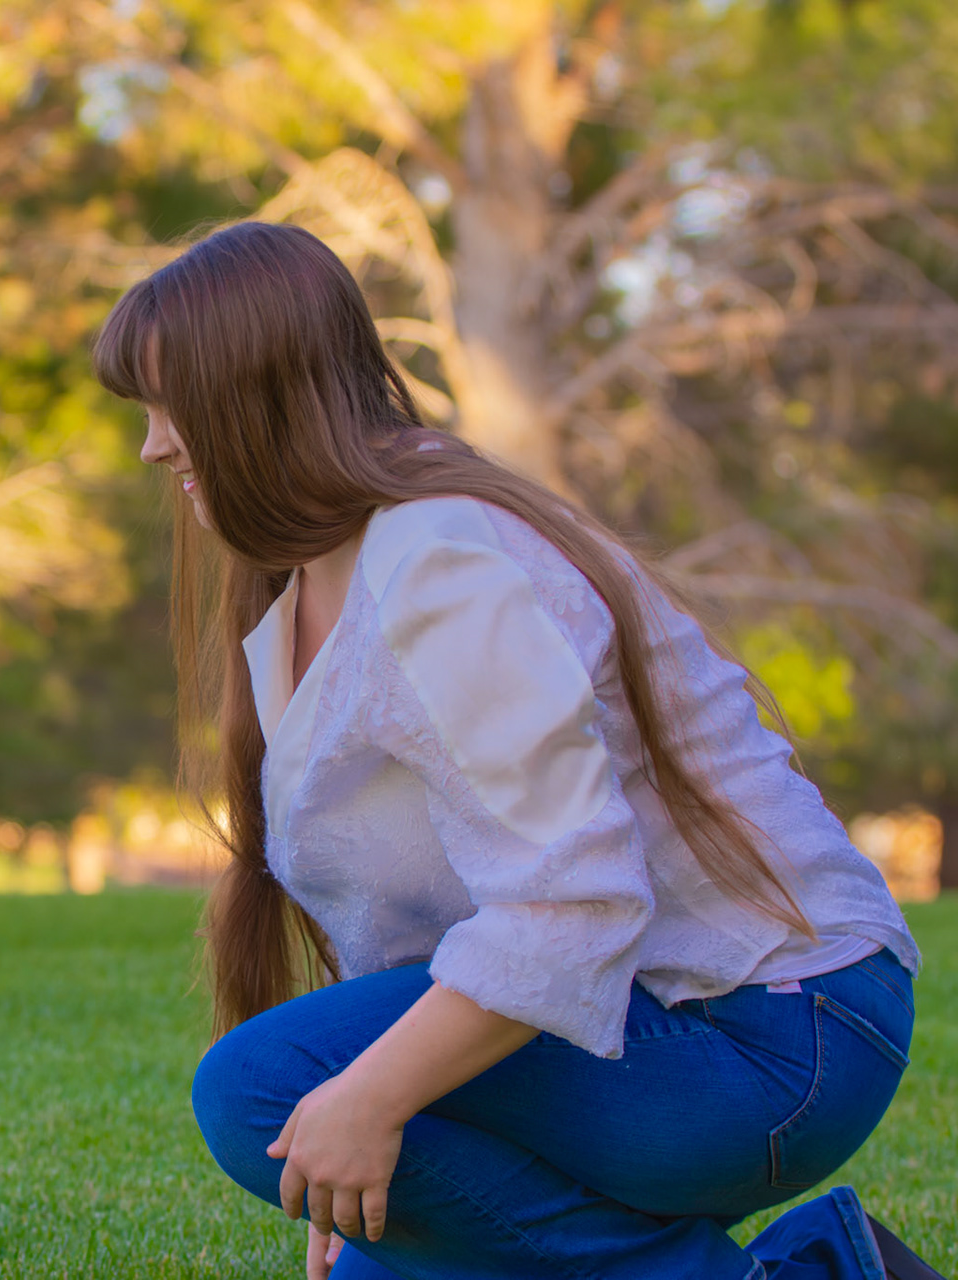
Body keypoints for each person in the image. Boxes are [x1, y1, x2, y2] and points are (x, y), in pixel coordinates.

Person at [94, 221, 939, 1279]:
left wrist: (366, 1092)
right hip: (627, 1020)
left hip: (771, 1028)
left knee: (250, 1088)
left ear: (260, 397)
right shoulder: (307, 575)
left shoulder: (442, 563)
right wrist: (371, 1121)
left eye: (172, 405)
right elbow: (417, 917)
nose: (154, 445)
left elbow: (573, 900)